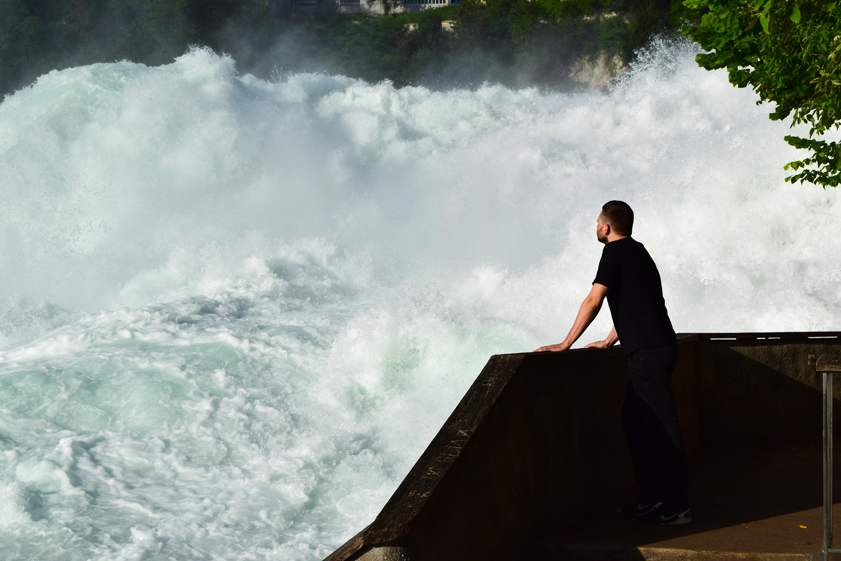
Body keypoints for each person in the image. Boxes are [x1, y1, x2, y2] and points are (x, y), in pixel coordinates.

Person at [534, 200, 690, 526]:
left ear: (606, 227)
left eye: (596, 222)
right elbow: (638, 304)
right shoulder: (639, 252)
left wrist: (565, 344)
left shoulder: (614, 253)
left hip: (649, 352)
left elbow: (594, 298)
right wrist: (608, 340)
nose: (595, 227)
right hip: (653, 347)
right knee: (634, 421)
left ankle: (677, 506)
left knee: (662, 428)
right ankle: (653, 497)